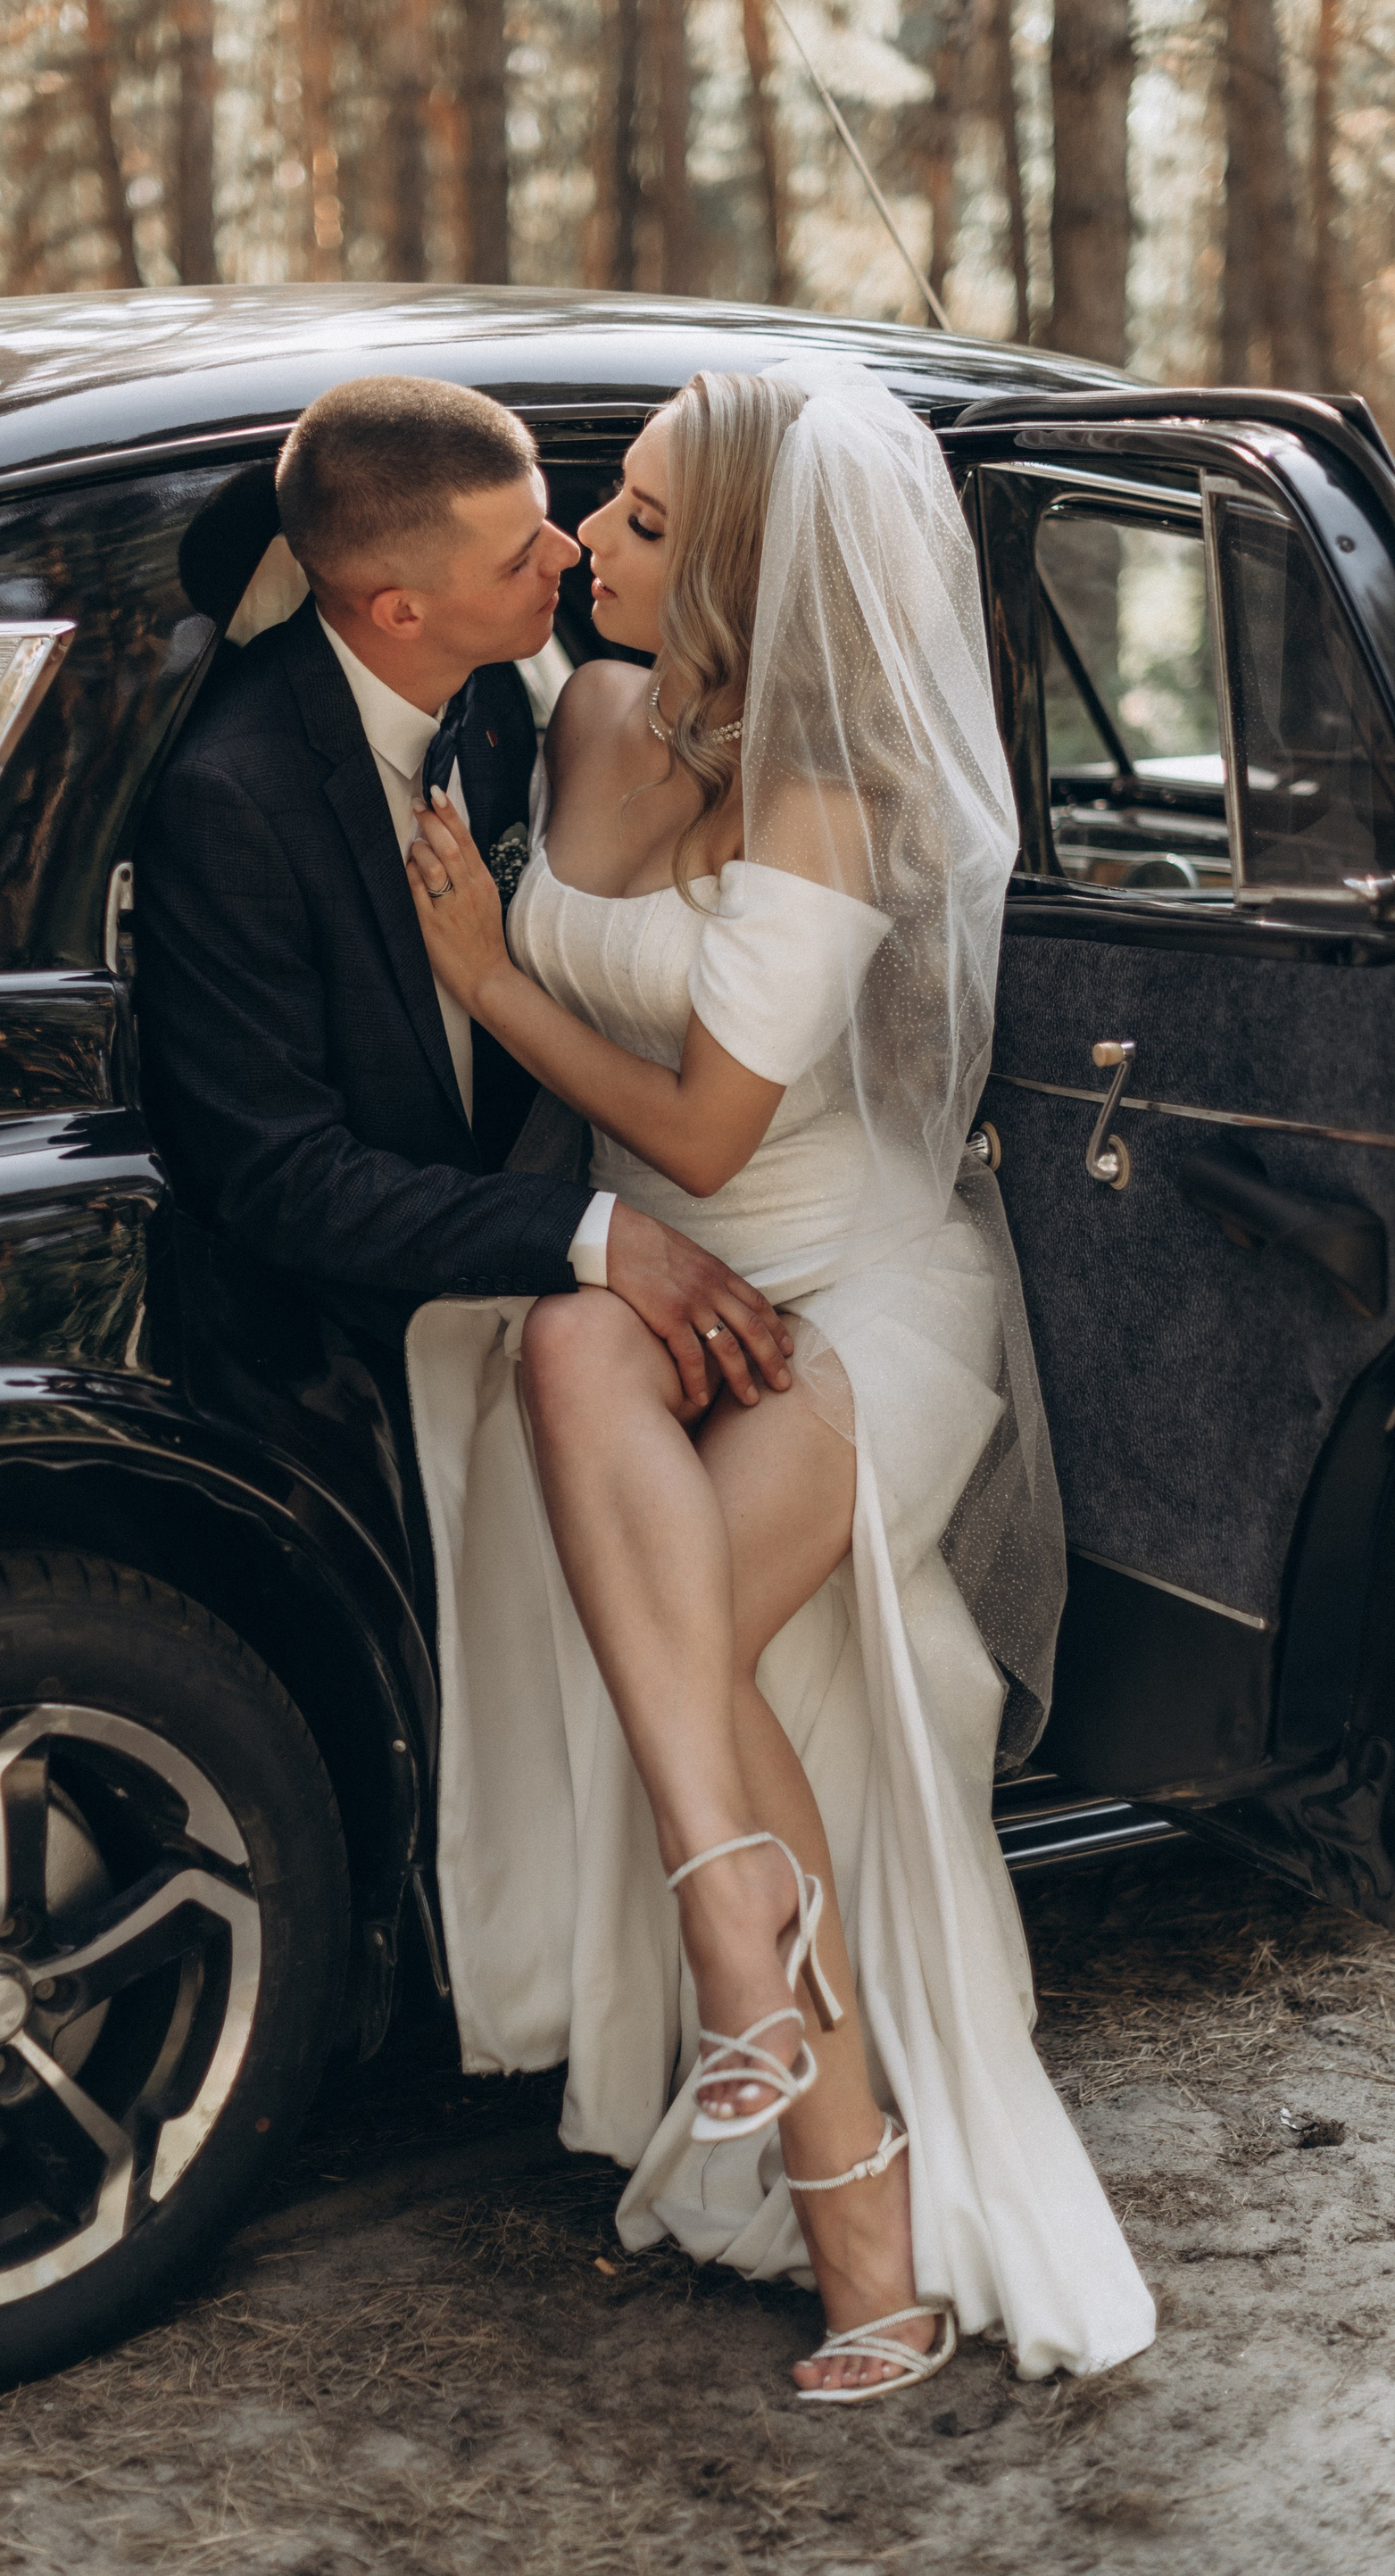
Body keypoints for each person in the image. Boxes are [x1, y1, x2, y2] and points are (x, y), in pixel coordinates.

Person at [400, 359, 1157, 2398]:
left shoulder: (826, 799)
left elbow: (708, 1132)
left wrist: (490, 978)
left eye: (643, 522)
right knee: (568, 1344)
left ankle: (855, 2217)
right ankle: (771, 2014)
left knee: (693, 1650)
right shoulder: (582, 711)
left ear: (742, 573)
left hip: (852, 1299)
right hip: (654, 1294)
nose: (591, 538)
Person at [136, 375, 794, 1446]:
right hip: (358, 1360)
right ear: (402, 610)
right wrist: (589, 1235)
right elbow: (281, 1177)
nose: (567, 553)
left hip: (589, 1302)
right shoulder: (233, 801)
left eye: (546, 519)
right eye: (519, 553)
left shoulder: (491, 698)